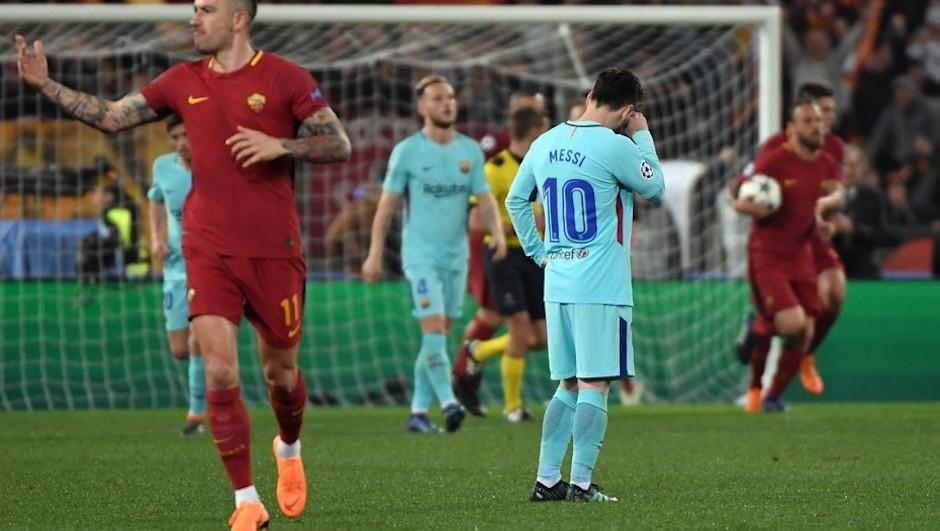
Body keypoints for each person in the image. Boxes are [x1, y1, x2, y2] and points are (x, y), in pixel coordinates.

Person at [15, 0, 352, 527]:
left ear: (239, 18)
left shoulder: (287, 78)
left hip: (274, 250)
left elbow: (339, 144)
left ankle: (288, 448)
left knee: (281, 375)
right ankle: (246, 501)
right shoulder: (181, 80)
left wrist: (279, 145)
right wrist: (46, 87)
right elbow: (110, 116)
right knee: (218, 370)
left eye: (206, 9)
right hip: (206, 247)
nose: (194, 18)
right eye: (194, 9)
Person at [507, 69, 665, 503]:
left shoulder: (546, 141)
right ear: (629, 110)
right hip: (601, 286)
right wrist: (642, 136)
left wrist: (539, 253)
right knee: (595, 384)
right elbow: (654, 185)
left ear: (591, 95)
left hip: (558, 282)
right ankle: (579, 485)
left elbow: (516, 200)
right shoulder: (615, 146)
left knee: (568, 383)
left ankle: (546, 480)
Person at [362, 74, 507, 434]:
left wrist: (499, 233)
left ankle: (417, 412)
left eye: (451, 97)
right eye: (438, 98)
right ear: (422, 107)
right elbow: (387, 207)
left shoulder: (469, 151)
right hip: (420, 256)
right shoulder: (408, 151)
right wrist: (374, 253)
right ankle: (448, 401)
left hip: (456, 257)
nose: (447, 104)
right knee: (432, 330)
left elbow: (486, 199)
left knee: (440, 332)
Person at [731, 99, 843, 414]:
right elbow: (736, 192)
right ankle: (754, 386)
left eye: (819, 121)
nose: (816, 127)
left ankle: (771, 397)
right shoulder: (774, 160)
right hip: (768, 254)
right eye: (808, 121)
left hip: (802, 254)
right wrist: (748, 206)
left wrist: (823, 219)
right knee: (793, 324)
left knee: (805, 331)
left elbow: (832, 194)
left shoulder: (825, 163)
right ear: (792, 129)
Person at [451, 90, 547, 418]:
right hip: (504, 256)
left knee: (541, 338)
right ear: (535, 131)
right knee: (519, 330)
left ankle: (480, 350)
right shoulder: (496, 167)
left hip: (537, 257)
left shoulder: (545, 168)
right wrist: (524, 222)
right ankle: (513, 407)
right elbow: (478, 222)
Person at [147, 114, 205, 436]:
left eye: (187, 134)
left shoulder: (215, 164)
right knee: (181, 349)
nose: (182, 143)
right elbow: (155, 200)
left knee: (199, 340)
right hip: (175, 268)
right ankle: (215, 367)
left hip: (209, 263)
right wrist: (156, 238)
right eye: (175, 137)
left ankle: (196, 414)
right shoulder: (162, 167)